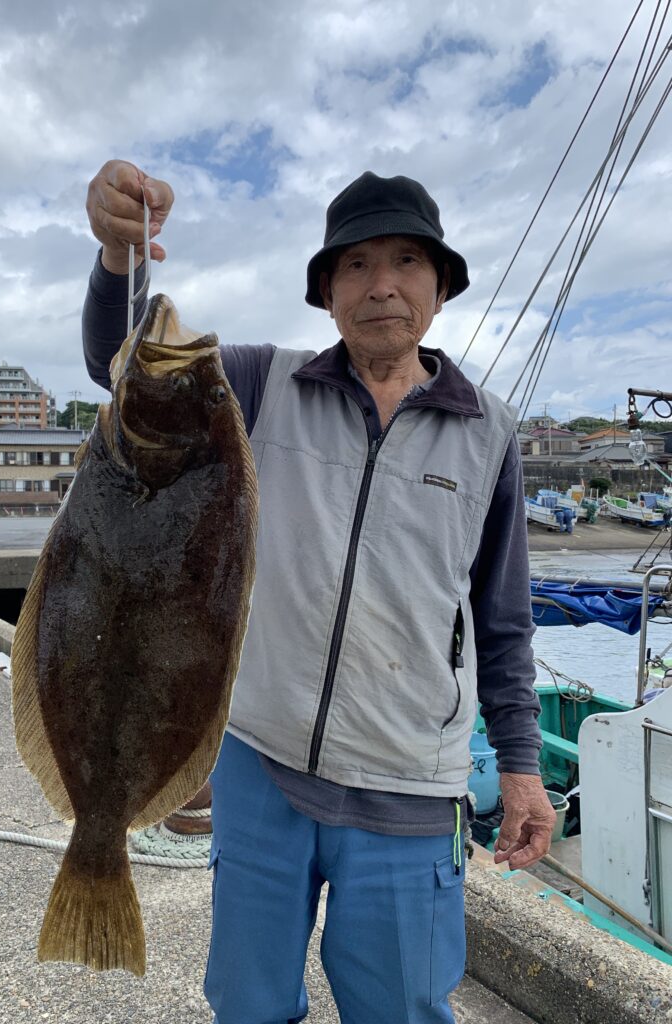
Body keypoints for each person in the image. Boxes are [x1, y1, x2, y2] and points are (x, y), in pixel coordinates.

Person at [82, 161, 556, 1024]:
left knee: (401, 1008)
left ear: (440, 287)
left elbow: (501, 620)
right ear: (328, 293)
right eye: (356, 264)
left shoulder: (490, 432)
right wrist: (120, 259)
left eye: (406, 261)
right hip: (261, 765)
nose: (382, 285)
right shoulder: (262, 386)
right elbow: (124, 372)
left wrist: (520, 767)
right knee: (248, 1003)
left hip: (410, 783)